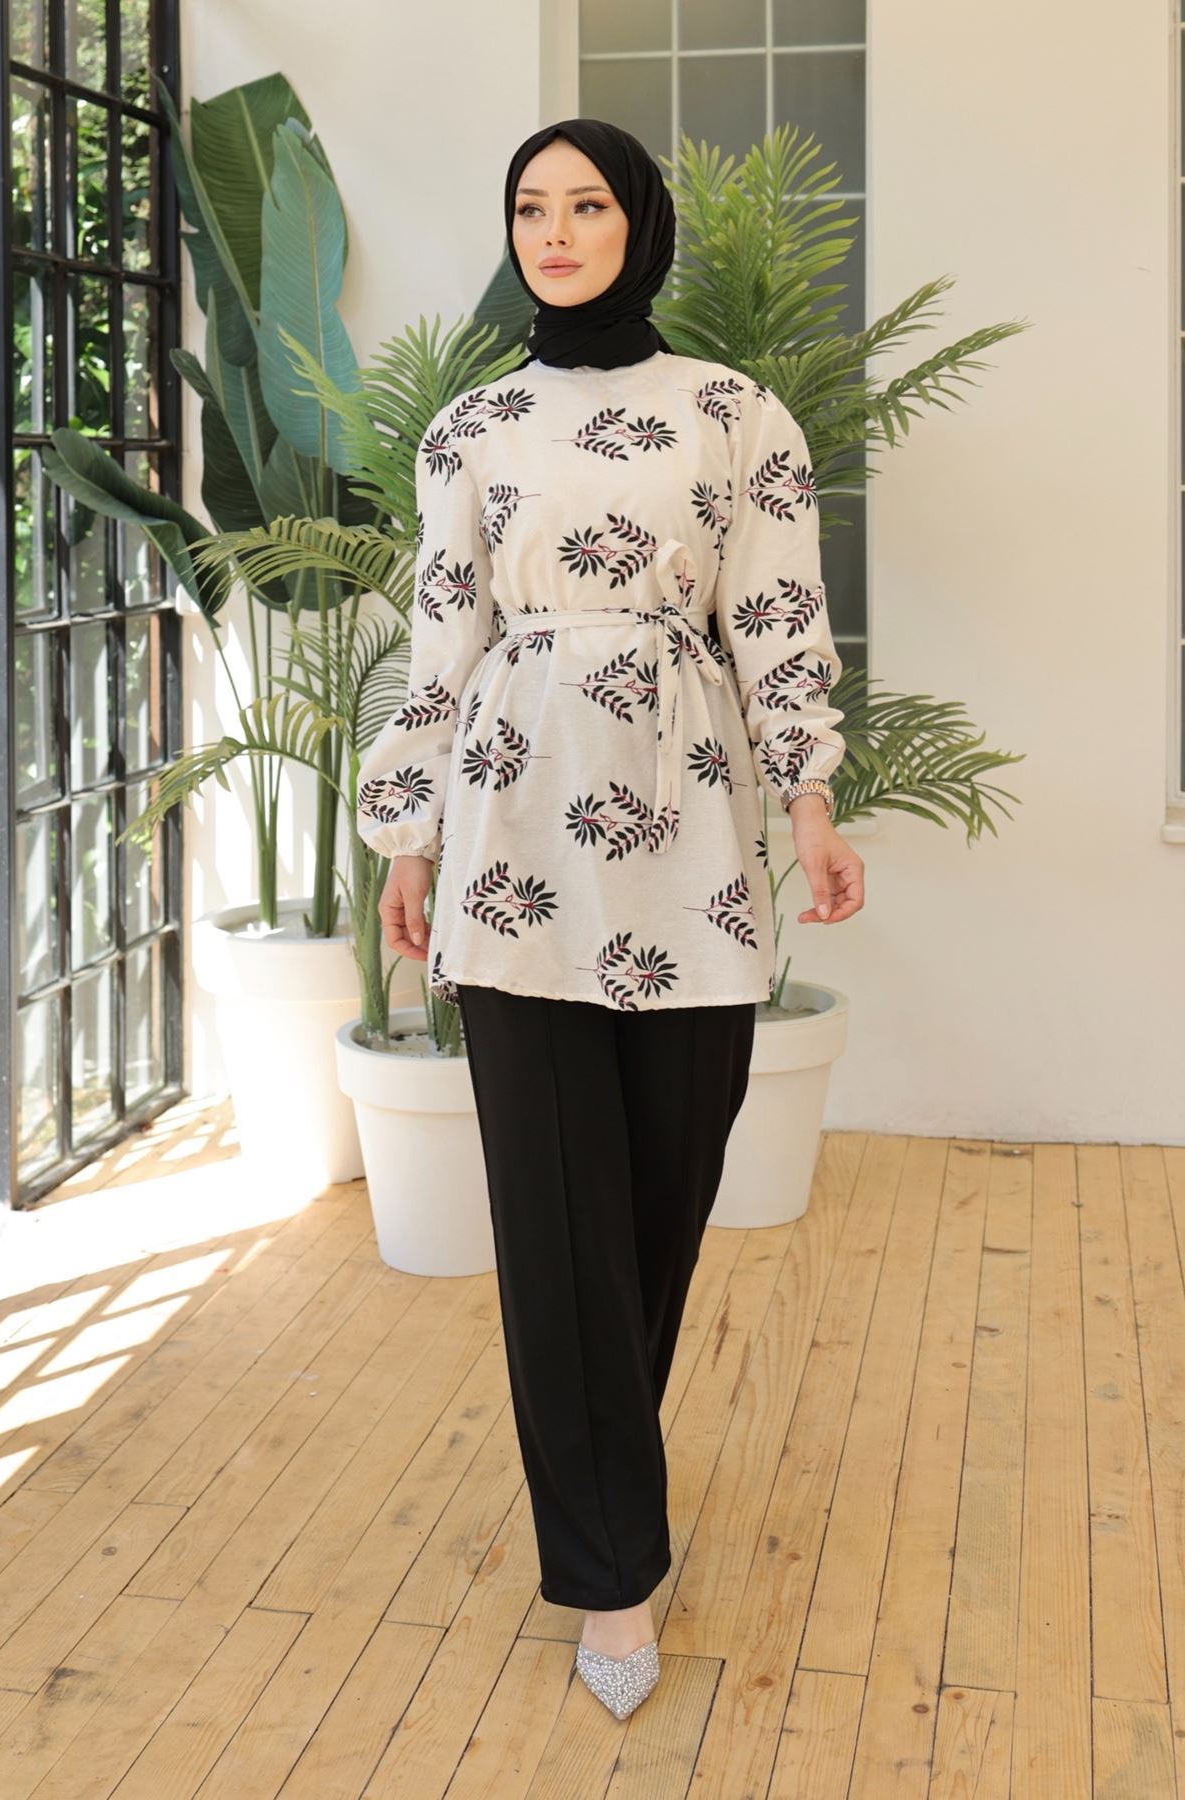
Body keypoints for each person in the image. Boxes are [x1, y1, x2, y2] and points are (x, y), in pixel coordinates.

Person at [357, 117, 865, 1720]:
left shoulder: (734, 412)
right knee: (551, 1211)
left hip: (692, 843)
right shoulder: (473, 427)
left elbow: (777, 614)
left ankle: (605, 1467)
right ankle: (610, 1573)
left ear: (638, 224)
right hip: (512, 840)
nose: (556, 231)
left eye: (586, 204)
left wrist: (810, 800)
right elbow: (440, 640)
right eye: (531, 206)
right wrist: (404, 836)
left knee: (661, 1184)